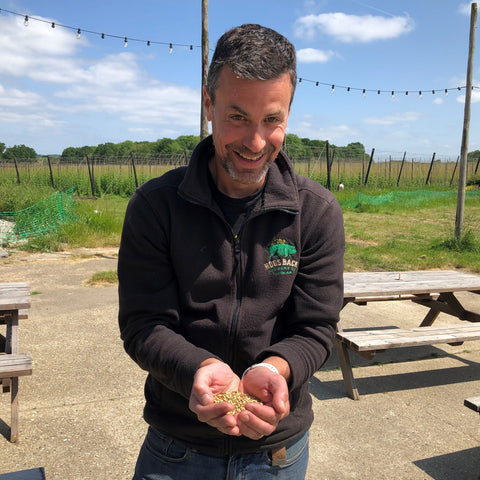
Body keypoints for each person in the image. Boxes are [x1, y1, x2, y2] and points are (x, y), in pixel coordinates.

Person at [118, 23, 345, 480]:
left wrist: (278, 369)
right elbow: (144, 324)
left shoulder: (316, 212)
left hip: (276, 452)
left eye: (272, 120)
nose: (256, 143)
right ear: (208, 104)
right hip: (176, 446)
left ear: (289, 115)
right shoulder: (155, 207)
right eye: (238, 117)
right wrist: (198, 369)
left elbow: (317, 328)